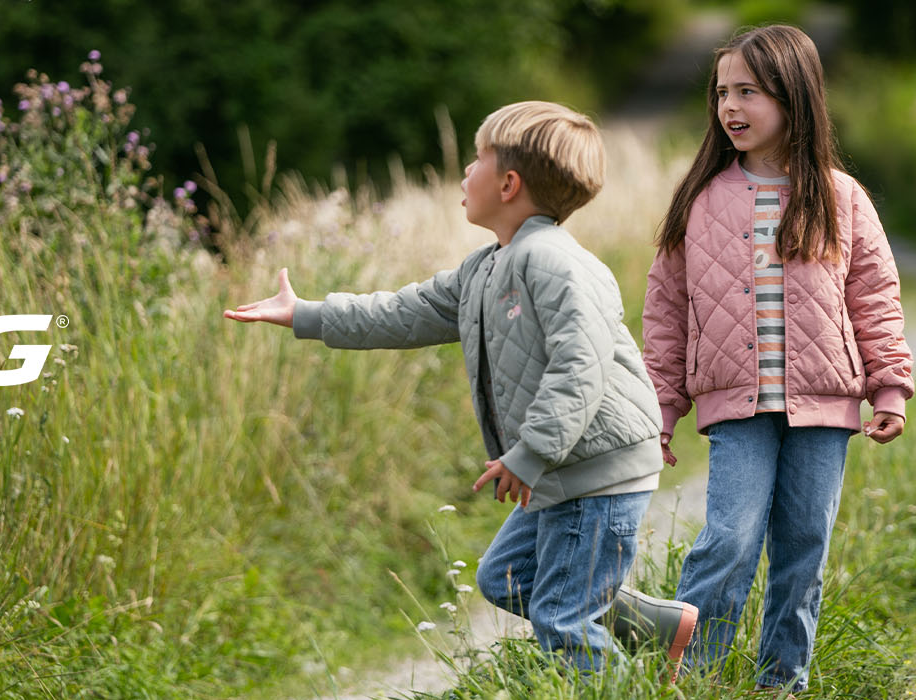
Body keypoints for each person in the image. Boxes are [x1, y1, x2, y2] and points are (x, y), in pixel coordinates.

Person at [225, 100, 697, 674]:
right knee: (505, 578)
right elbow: (404, 312)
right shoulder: (486, 268)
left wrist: (528, 455)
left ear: (508, 183)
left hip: (596, 469)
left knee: (563, 618)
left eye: (476, 159)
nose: (465, 173)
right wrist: (308, 314)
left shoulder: (556, 264)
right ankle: (657, 627)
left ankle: (612, 688)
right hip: (557, 466)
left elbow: (582, 366)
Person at [640, 24, 916, 693]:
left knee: (803, 548)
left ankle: (782, 681)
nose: (730, 106)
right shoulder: (700, 200)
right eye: (722, 92)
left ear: (794, 98)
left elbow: (874, 295)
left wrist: (890, 389)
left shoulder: (840, 196)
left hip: (824, 405)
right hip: (737, 405)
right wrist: (659, 410)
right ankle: (692, 677)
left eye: (748, 93)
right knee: (729, 539)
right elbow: (667, 313)